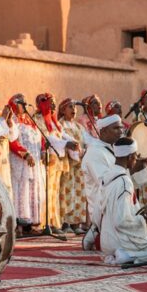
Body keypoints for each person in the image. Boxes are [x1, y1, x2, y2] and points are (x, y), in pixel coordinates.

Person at [80, 115, 147, 249]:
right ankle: (96, 231)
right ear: (103, 131)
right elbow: (108, 183)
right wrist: (139, 164)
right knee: (146, 245)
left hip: (121, 207)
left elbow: (124, 180)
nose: (121, 131)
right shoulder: (94, 152)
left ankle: (101, 235)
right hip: (104, 209)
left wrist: (143, 165)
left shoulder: (114, 149)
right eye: (116, 128)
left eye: (121, 127)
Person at [98, 138, 147, 265]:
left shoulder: (107, 177)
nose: (137, 159)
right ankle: (128, 256)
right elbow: (121, 221)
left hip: (106, 240)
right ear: (130, 157)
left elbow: (97, 214)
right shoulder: (124, 182)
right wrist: (145, 216)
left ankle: (121, 254)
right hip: (120, 240)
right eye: (136, 156)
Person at [35, 93, 78, 232]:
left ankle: (55, 222)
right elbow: (47, 138)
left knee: (54, 192)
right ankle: (45, 223)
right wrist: (66, 143)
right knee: (47, 192)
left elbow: (62, 134)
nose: (53, 105)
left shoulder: (54, 121)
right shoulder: (39, 119)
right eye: (50, 102)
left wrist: (74, 143)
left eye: (54, 102)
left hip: (58, 159)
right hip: (48, 159)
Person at [8, 94, 46, 231]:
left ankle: (31, 223)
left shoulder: (30, 120)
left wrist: (43, 150)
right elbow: (12, 141)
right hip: (20, 161)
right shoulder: (12, 119)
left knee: (32, 190)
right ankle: (19, 224)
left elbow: (40, 137)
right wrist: (25, 154)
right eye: (20, 102)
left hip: (34, 162)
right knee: (21, 190)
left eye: (24, 102)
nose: (23, 104)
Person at [57, 98, 87, 234]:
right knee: (67, 192)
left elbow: (86, 142)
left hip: (79, 165)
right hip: (68, 163)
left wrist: (85, 153)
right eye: (70, 106)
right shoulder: (60, 125)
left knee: (79, 192)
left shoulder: (79, 127)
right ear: (63, 109)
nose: (74, 109)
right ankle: (66, 222)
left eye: (75, 107)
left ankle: (76, 223)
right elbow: (61, 141)